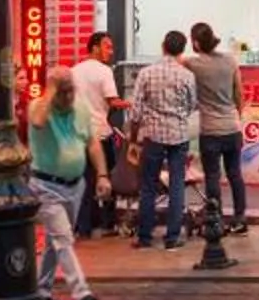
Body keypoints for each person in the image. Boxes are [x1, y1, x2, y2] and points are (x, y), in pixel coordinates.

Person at [26, 70, 102, 300]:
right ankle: (81, 292)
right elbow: (37, 122)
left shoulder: (80, 108)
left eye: (71, 90)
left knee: (54, 241)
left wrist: (102, 174)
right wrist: (50, 89)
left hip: (74, 185)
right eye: (64, 91)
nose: (69, 96)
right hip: (46, 186)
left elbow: (92, 142)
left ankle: (42, 290)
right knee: (63, 238)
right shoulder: (39, 107)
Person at [124, 29, 200, 248]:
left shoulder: (147, 73)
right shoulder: (187, 75)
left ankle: (145, 236)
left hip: (153, 136)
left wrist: (133, 138)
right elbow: (191, 104)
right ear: (182, 50)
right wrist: (177, 116)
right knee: (177, 184)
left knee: (148, 185)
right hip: (178, 135)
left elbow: (136, 111)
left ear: (163, 46)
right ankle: (172, 238)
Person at [185, 19, 249, 235]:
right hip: (232, 127)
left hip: (210, 131)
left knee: (212, 176)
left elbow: (176, 60)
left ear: (195, 42)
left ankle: (216, 219)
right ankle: (240, 219)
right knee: (235, 174)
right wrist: (237, 117)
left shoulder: (194, 64)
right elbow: (239, 94)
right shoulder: (230, 61)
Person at [68, 30, 119, 237]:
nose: (111, 51)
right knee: (108, 176)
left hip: (78, 134)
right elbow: (112, 100)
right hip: (100, 134)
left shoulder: (73, 71)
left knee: (83, 181)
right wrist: (132, 103)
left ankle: (84, 226)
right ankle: (107, 223)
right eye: (107, 46)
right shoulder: (104, 71)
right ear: (95, 47)